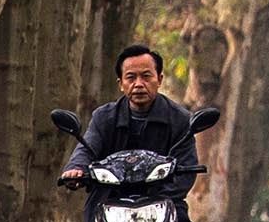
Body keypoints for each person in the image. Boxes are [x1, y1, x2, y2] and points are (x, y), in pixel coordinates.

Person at [62, 43, 204, 182]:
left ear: (159, 79)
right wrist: (76, 168)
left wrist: (164, 196)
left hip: (162, 198)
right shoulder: (104, 117)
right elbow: (88, 148)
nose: (138, 84)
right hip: (108, 196)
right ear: (121, 84)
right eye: (131, 78)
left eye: (146, 76)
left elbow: (186, 169)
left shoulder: (180, 119)